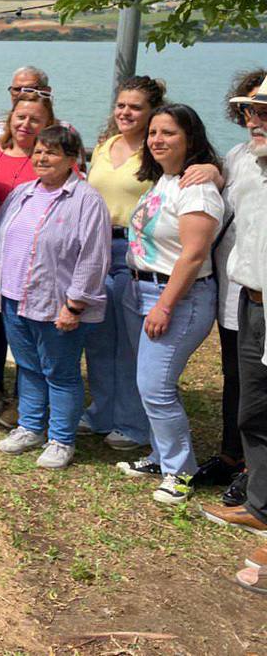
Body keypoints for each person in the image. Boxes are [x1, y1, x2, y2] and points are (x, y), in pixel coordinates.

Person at [80, 77, 219, 451]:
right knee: (98, 338)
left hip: (139, 252)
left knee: (130, 348)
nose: (126, 113)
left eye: (136, 107)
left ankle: (132, 422)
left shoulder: (159, 152)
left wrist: (214, 172)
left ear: (153, 112)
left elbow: (201, 181)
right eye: (121, 105)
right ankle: (102, 410)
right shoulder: (107, 146)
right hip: (99, 249)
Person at [0, 126, 110, 469]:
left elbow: (93, 258)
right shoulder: (23, 192)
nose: (41, 158)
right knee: (28, 367)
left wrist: (75, 305)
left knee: (60, 372)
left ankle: (61, 439)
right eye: (38, 151)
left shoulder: (86, 200)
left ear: (72, 159)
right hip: (14, 297)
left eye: (51, 153)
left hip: (57, 304)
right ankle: (30, 427)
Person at [116, 104, 223, 506]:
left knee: (156, 387)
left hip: (178, 298)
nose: (158, 140)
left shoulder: (197, 188)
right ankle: (161, 457)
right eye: (154, 133)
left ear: (190, 139)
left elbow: (193, 255)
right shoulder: (165, 180)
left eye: (169, 134)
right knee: (148, 384)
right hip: (140, 291)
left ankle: (181, 471)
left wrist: (164, 305)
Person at [198, 80, 267, 594]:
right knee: (251, 409)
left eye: (263, 111)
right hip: (250, 299)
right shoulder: (243, 158)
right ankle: (260, 505)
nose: (253, 119)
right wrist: (213, 168)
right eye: (248, 110)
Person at [0, 92, 56, 418]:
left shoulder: (48, 160)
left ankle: (24, 398)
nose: (26, 125)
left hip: (30, 260)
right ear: (10, 119)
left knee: (25, 332)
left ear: (48, 124)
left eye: (35, 119)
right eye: (21, 117)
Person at [0, 66, 78, 148]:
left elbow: (77, 167)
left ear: (46, 91)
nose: (22, 94)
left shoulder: (66, 131)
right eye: (16, 89)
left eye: (29, 89)